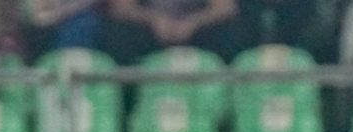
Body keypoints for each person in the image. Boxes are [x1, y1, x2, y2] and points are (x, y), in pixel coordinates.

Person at [102, 0, 249, 65]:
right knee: (118, 31)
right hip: (151, 29)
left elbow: (226, 8)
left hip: (197, 29)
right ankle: (128, 101)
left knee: (231, 29)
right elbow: (120, 8)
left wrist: (193, 23)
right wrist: (153, 20)